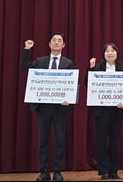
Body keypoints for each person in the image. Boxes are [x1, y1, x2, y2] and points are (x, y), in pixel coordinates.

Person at [20, 33, 74, 182]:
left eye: (59, 41)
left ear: (63, 45)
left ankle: (57, 172)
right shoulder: (40, 61)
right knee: (43, 140)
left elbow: (71, 84)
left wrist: (69, 99)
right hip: (43, 107)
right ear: (49, 44)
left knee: (60, 140)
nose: (56, 43)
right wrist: (27, 49)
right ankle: (44, 172)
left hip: (60, 108)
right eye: (54, 40)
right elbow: (24, 67)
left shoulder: (68, 63)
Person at [84, 43, 123, 180]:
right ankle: (104, 171)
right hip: (101, 110)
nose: (110, 53)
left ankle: (113, 171)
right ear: (103, 54)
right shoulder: (97, 68)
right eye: (107, 51)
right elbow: (87, 83)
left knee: (114, 142)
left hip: (117, 110)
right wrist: (91, 68)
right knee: (101, 141)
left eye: (112, 50)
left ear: (117, 54)